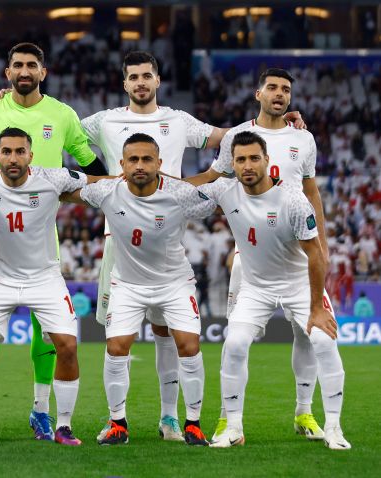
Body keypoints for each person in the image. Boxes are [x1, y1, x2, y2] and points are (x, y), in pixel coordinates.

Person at [81, 51, 305, 441]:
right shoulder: (104, 121)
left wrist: (273, 125)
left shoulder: (178, 120)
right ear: (124, 83)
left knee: (169, 334)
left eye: (146, 75)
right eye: (133, 77)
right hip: (118, 236)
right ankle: (117, 418)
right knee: (116, 340)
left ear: (157, 80)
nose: (140, 82)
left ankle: (171, 417)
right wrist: (8, 99)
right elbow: (57, 130)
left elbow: (228, 138)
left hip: (170, 228)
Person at [0, 42, 108, 440]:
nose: (25, 70)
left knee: (46, 334)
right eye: (18, 65)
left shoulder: (62, 114)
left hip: (41, 236)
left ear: (43, 72)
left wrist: (120, 187)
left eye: (32, 65)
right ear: (7, 71)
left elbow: (87, 161)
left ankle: (41, 411)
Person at [187, 68, 329, 442]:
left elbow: (312, 193)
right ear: (258, 93)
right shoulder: (237, 136)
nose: (279, 94)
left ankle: (305, 413)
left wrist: (323, 241)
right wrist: (159, 185)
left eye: (285, 89)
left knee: (307, 334)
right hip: (251, 254)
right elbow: (212, 179)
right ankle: (227, 420)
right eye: (272, 88)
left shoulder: (304, 139)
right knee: (236, 339)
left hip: (297, 251)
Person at [0, 127, 103, 446]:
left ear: (31, 155)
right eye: (6, 151)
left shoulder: (54, 178)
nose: (13, 158)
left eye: (20, 151)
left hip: (44, 278)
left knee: (68, 346)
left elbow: (99, 184)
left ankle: (63, 426)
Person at [198, 131, 349, 450]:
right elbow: (183, 190)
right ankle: (233, 428)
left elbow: (317, 254)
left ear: (267, 161)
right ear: (232, 164)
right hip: (256, 287)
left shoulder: (293, 199)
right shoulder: (225, 191)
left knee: (323, 339)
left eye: (254, 158)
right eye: (240, 160)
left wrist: (317, 308)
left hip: (298, 283)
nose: (248, 165)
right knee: (235, 343)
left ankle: (333, 427)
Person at [65, 133, 216, 446]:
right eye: (133, 159)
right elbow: (62, 188)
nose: (140, 165)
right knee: (117, 347)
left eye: (147, 159)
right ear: (121, 164)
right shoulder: (107, 190)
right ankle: (118, 423)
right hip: (128, 285)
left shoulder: (181, 194)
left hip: (174, 283)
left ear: (160, 163)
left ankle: (192, 423)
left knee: (188, 346)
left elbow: (221, 202)